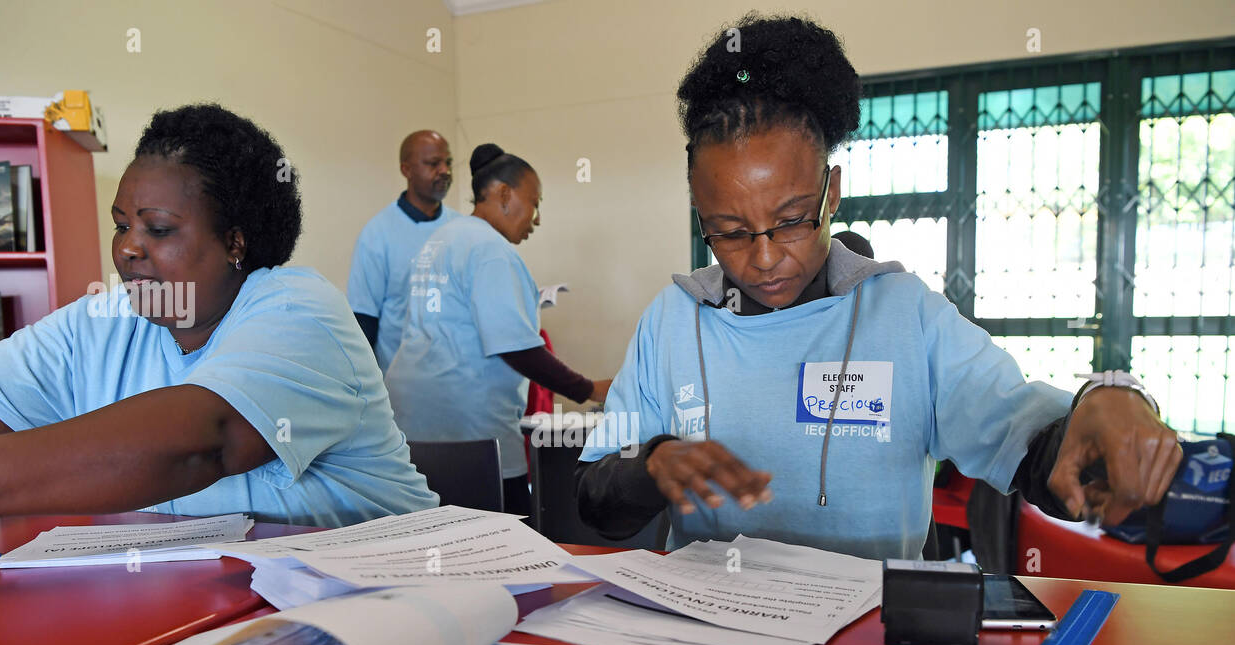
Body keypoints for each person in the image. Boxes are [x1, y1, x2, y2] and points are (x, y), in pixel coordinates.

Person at [576, 14, 1181, 557]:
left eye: (790, 220)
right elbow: (596, 501)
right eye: (728, 232)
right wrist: (651, 462)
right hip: (712, 638)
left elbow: (1036, 452)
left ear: (831, 192)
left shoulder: (904, 314)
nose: (763, 258)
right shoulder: (674, 320)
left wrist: (1109, 401)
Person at [0, 103, 437, 544]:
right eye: (121, 225)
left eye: (157, 229)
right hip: (212, 616)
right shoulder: (105, 319)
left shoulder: (297, 309)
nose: (127, 247)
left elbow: (206, 440)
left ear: (235, 243)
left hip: (394, 604)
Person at [384, 143, 610, 515]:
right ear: (505, 194)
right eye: (535, 203)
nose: (536, 220)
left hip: (412, 424)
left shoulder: (440, 239)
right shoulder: (491, 249)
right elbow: (515, 347)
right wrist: (588, 389)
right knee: (503, 538)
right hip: (469, 430)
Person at [347, 130, 457, 369]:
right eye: (433, 163)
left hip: (455, 376)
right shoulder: (377, 234)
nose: (445, 171)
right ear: (406, 170)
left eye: (448, 163)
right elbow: (364, 319)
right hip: (400, 381)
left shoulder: (460, 229)